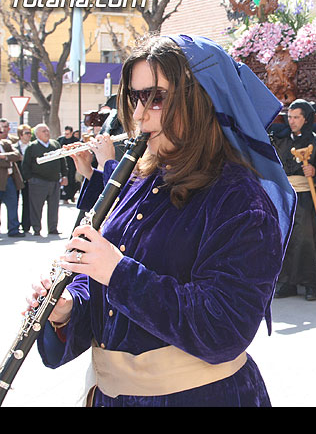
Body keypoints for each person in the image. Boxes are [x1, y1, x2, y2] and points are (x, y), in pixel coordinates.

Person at [30, 34, 295, 407]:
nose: (139, 114)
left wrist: (118, 272)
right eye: (136, 98)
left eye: (156, 98)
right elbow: (102, 294)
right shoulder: (138, 179)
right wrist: (68, 310)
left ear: (201, 100)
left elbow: (224, 328)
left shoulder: (239, 199)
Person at [272, 99, 316, 301]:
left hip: (308, 199)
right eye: (289, 117)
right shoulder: (283, 141)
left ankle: (310, 284)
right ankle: (289, 282)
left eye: (296, 117)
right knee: (287, 238)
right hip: (286, 198)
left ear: (306, 119)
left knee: (306, 240)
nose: (291, 121)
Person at [21, 123, 68, 236]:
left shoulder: (55, 144)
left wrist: (64, 175)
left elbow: (62, 161)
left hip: (54, 181)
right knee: (36, 207)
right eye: (43, 131)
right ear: (37, 134)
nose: (47, 133)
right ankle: (36, 229)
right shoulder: (32, 147)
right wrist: (30, 179)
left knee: (54, 206)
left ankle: (53, 228)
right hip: (38, 181)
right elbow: (25, 165)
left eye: (47, 130)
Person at [0, 125, 25, 238]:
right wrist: (7, 161)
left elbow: (16, 155)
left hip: (9, 180)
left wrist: (3, 157)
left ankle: (13, 229)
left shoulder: (5, 144)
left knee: (13, 205)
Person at [14, 124, 32, 235]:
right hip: (15, 177)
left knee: (27, 202)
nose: (29, 135)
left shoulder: (32, 147)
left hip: (28, 178)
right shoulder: (14, 147)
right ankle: (14, 224)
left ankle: (26, 225)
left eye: (30, 133)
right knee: (14, 202)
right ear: (21, 135)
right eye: (27, 133)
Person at [57, 125, 80, 203]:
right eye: (65, 134)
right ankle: (65, 197)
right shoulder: (60, 140)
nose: (66, 136)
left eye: (68, 134)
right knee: (65, 180)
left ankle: (71, 195)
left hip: (73, 163)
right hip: (63, 163)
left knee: (73, 181)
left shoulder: (76, 141)